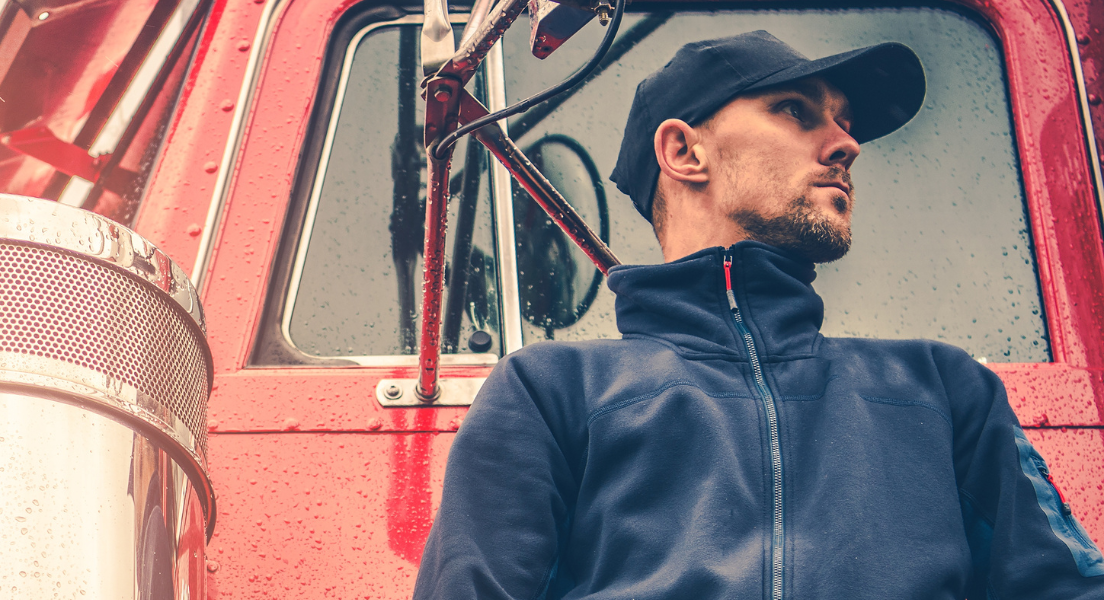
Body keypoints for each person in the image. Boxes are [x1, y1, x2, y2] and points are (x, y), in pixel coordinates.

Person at [411, 30, 1104, 599]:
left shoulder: (945, 390)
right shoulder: (548, 393)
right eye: (798, 111)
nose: (845, 145)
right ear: (684, 151)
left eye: (845, 123)